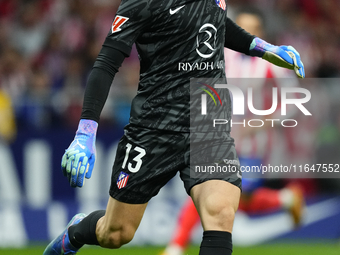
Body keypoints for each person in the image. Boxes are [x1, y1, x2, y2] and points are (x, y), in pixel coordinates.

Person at [43, 1, 304, 255]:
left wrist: (263, 48)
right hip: (154, 129)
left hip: (208, 126)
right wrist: (85, 132)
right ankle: (76, 232)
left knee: (221, 213)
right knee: (115, 233)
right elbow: (105, 64)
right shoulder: (141, 3)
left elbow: (216, 23)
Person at [161, 7, 305, 255]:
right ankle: (176, 246)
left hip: (254, 143)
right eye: (240, 26)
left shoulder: (272, 65)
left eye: (251, 28)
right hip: (218, 134)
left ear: (260, 33)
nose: (244, 32)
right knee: (209, 185)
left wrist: (261, 122)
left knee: (238, 198)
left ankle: (285, 199)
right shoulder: (224, 55)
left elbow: (294, 101)